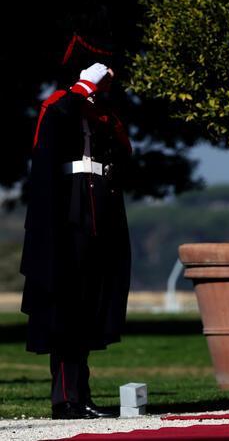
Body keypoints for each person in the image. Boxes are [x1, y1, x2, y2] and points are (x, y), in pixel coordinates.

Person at [20, 21, 132, 420]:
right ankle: (65, 398)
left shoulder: (101, 113)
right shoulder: (60, 106)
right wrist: (81, 90)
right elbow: (50, 144)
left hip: (97, 222)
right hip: (66, 225)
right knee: (66, 312)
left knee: (86, 310)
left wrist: (96, 101)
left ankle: (78, 395)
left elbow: (124, 150)